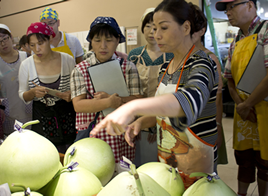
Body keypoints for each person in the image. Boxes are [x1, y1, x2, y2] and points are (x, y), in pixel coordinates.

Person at [90, 0, 218, 189]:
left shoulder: (201, 63)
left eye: (163, 28)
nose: (156, 35)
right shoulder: (167, 67)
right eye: (154, 28)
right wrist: (140, 122)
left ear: (186, 27)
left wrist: (132, 106)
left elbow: (188, 102)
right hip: (168, 156)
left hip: (197, 159)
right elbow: (163, 111)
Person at [215, 0, 268, 195]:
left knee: (266, 159)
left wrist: (248, 104)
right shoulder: (236, 40)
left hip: (266, 108)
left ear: (250, 5)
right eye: (226, 9)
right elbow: (229, 80)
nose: (228, 12)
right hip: (244, 111)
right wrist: (241, 105)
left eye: (232, 6)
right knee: (243, 158)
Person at [70, 16, 143, 173]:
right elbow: (78, 105)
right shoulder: (80, 69)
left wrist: (117, 100)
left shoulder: (128, 67)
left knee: (123, 180)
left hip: (120, 137)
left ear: (118, 41)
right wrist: (109, 102)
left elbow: (138, 100)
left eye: (109, 40)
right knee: (95, 176)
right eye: (97, 40)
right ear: (91, 43)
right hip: (92, 136)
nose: (103, 46)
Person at [18, 22, 77, 153]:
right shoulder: (26, 65)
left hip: (67, 116)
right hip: (42, 118)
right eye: (32, 45)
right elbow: (22, 95)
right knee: (46, 153)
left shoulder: (67, 60)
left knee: (70, 152)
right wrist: (32, 93)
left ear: (50, 39)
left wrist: (71, 94)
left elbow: (78, 88)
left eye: (41, 43)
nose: (36, 49)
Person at [127, 8, 174, 166]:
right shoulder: (134, 55)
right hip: (138, 121)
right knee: (142, 163)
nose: (152, 31)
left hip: (165, 120)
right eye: (147, 26)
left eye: (156, 27)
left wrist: (155, 124)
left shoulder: (172, 55)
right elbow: (129, 90)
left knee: (163, 164)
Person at [190, 3, 228, 171]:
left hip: (205, 127)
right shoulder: (174, 58)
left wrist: (218, 125)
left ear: (202, 30)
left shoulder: (209, 58)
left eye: (191, 27)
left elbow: (217, 98)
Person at [0, 24, 32, 136]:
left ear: (11, 37)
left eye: (5, 39)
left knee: (31, 139)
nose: (3, 44)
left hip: (29, 107)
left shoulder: (26, 56)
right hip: (7, 110)